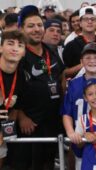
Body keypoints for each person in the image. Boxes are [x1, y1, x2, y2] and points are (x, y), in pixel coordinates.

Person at [15, 5, 65, 170]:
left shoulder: (50, 51)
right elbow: (9, 90)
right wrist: (21, 116)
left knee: (49, 164)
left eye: (39, 25)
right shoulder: (18, 55)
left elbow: (61, 75)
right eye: (31, 26)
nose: (36, 29)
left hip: (53, 122)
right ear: (21, 29)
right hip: (30, 124)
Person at [62, 42, 96, 170]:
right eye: (87, 58)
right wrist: (71, 133)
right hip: (81, 139)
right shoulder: (74, 84)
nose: (92, 61)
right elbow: (66, 112)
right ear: (81, 61)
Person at [0, 30, 26, 169]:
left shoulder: (21, 76)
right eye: (10, 44)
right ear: (0, 47)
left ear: (24, 52)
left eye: (20, 45)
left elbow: (16, 106)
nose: (15, 48)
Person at [63, 6, 96, 79]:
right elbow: (65, 73)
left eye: (93, 19)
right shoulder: (70, 45)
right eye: (86, 19)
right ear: (80, 23)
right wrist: (84, 64)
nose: (89, 22)